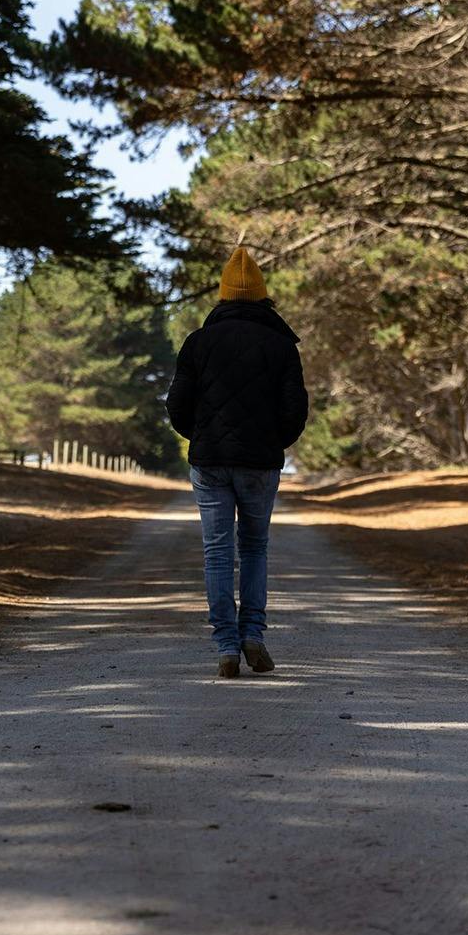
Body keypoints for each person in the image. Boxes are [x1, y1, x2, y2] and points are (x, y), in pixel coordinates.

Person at [167, 247, 309, 678]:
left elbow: (177, 406)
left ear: (223, 296)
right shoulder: (282, 346)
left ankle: (227, 646)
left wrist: (204, 438)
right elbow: (295, 411)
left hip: (210, 462)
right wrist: (271, 443)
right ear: (263, 296)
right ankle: (254, 635)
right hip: (260, 464)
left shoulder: (198, 342)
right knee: (254, 548)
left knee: (216, 552)